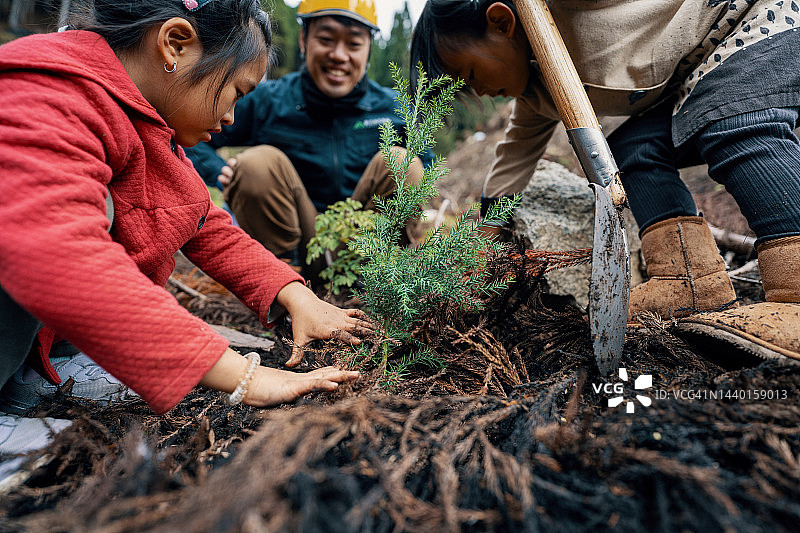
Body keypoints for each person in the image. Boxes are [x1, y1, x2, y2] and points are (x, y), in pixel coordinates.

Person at [0, 0, 373, 455]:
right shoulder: (46, 91)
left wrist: (295, 295)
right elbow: (60, 253)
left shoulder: (136, 115)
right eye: (236, 91)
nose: (234, 117)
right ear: (175, 44)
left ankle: (42, 366)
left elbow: (203, 221)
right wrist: (245, 377)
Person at [410, 0, 800, 362]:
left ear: (501, 22)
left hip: (754, 21)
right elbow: (511, 162)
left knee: (731, 121)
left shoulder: (566, 8)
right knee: (633, 149)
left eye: (469, 75)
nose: (476, 91)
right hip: (696, 77)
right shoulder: (538, 94)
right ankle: (689, 280)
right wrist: (480, 242)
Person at [185, 0, 431, 276]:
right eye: (326, 39)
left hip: (366, 247)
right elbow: (192, 139)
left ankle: (379, 283)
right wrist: (223, 174)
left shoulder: (394, 108)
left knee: (403, 162)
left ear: (369, 48)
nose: (339, 55)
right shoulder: (269, 101)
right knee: (256, 163)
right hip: (296, 246)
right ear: (303, 40)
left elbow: (427, 170)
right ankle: (284, 281)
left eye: (353, 44)